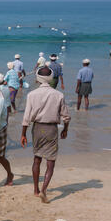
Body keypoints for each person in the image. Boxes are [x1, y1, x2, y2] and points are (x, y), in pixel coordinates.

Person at [21, 67, 71, 204]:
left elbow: (26, 117)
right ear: (51, 78)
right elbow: (66, 117)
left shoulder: (31, 95)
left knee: (37, 159)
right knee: (51, 162)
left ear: (38, 78)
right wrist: (65, 129)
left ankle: (36, 190)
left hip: (37, 128)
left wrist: (23, 134)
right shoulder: (58, 95)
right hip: (51, 129)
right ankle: (44, 190)